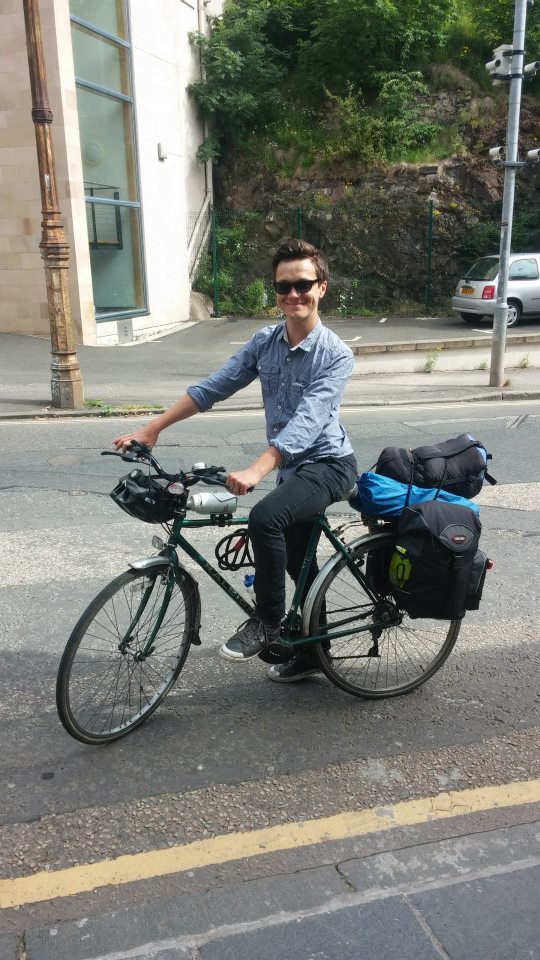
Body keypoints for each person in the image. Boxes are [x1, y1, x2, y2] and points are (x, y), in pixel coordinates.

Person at [113, 238, 357, 682]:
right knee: (298, 561)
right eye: (283, 287)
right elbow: (214, 387)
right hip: (291, 469)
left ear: (322, 287)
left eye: (303, 284)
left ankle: (267, 622)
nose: (292, 295)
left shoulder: (335, 354)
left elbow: (307, 424)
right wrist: (153, 428)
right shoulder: (265, 342)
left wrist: (256, 470)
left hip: (329, 465)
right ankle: (312, 652)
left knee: (265, 519)